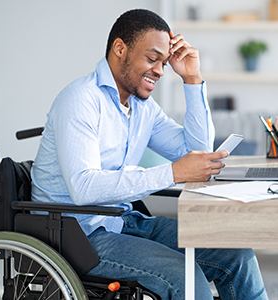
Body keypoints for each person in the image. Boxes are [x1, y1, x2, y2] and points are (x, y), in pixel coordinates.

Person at [31, 9, 268, 300]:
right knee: (186, 279)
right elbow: (84, 188)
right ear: (120, 49)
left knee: (236, 255)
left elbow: (197, 152)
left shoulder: (142, 107)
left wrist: (192, 78)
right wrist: (175, 172)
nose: (159, 70)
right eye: (152, 58)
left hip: (124, 220)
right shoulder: (81, 99)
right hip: (78, 235)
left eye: (164, 63)